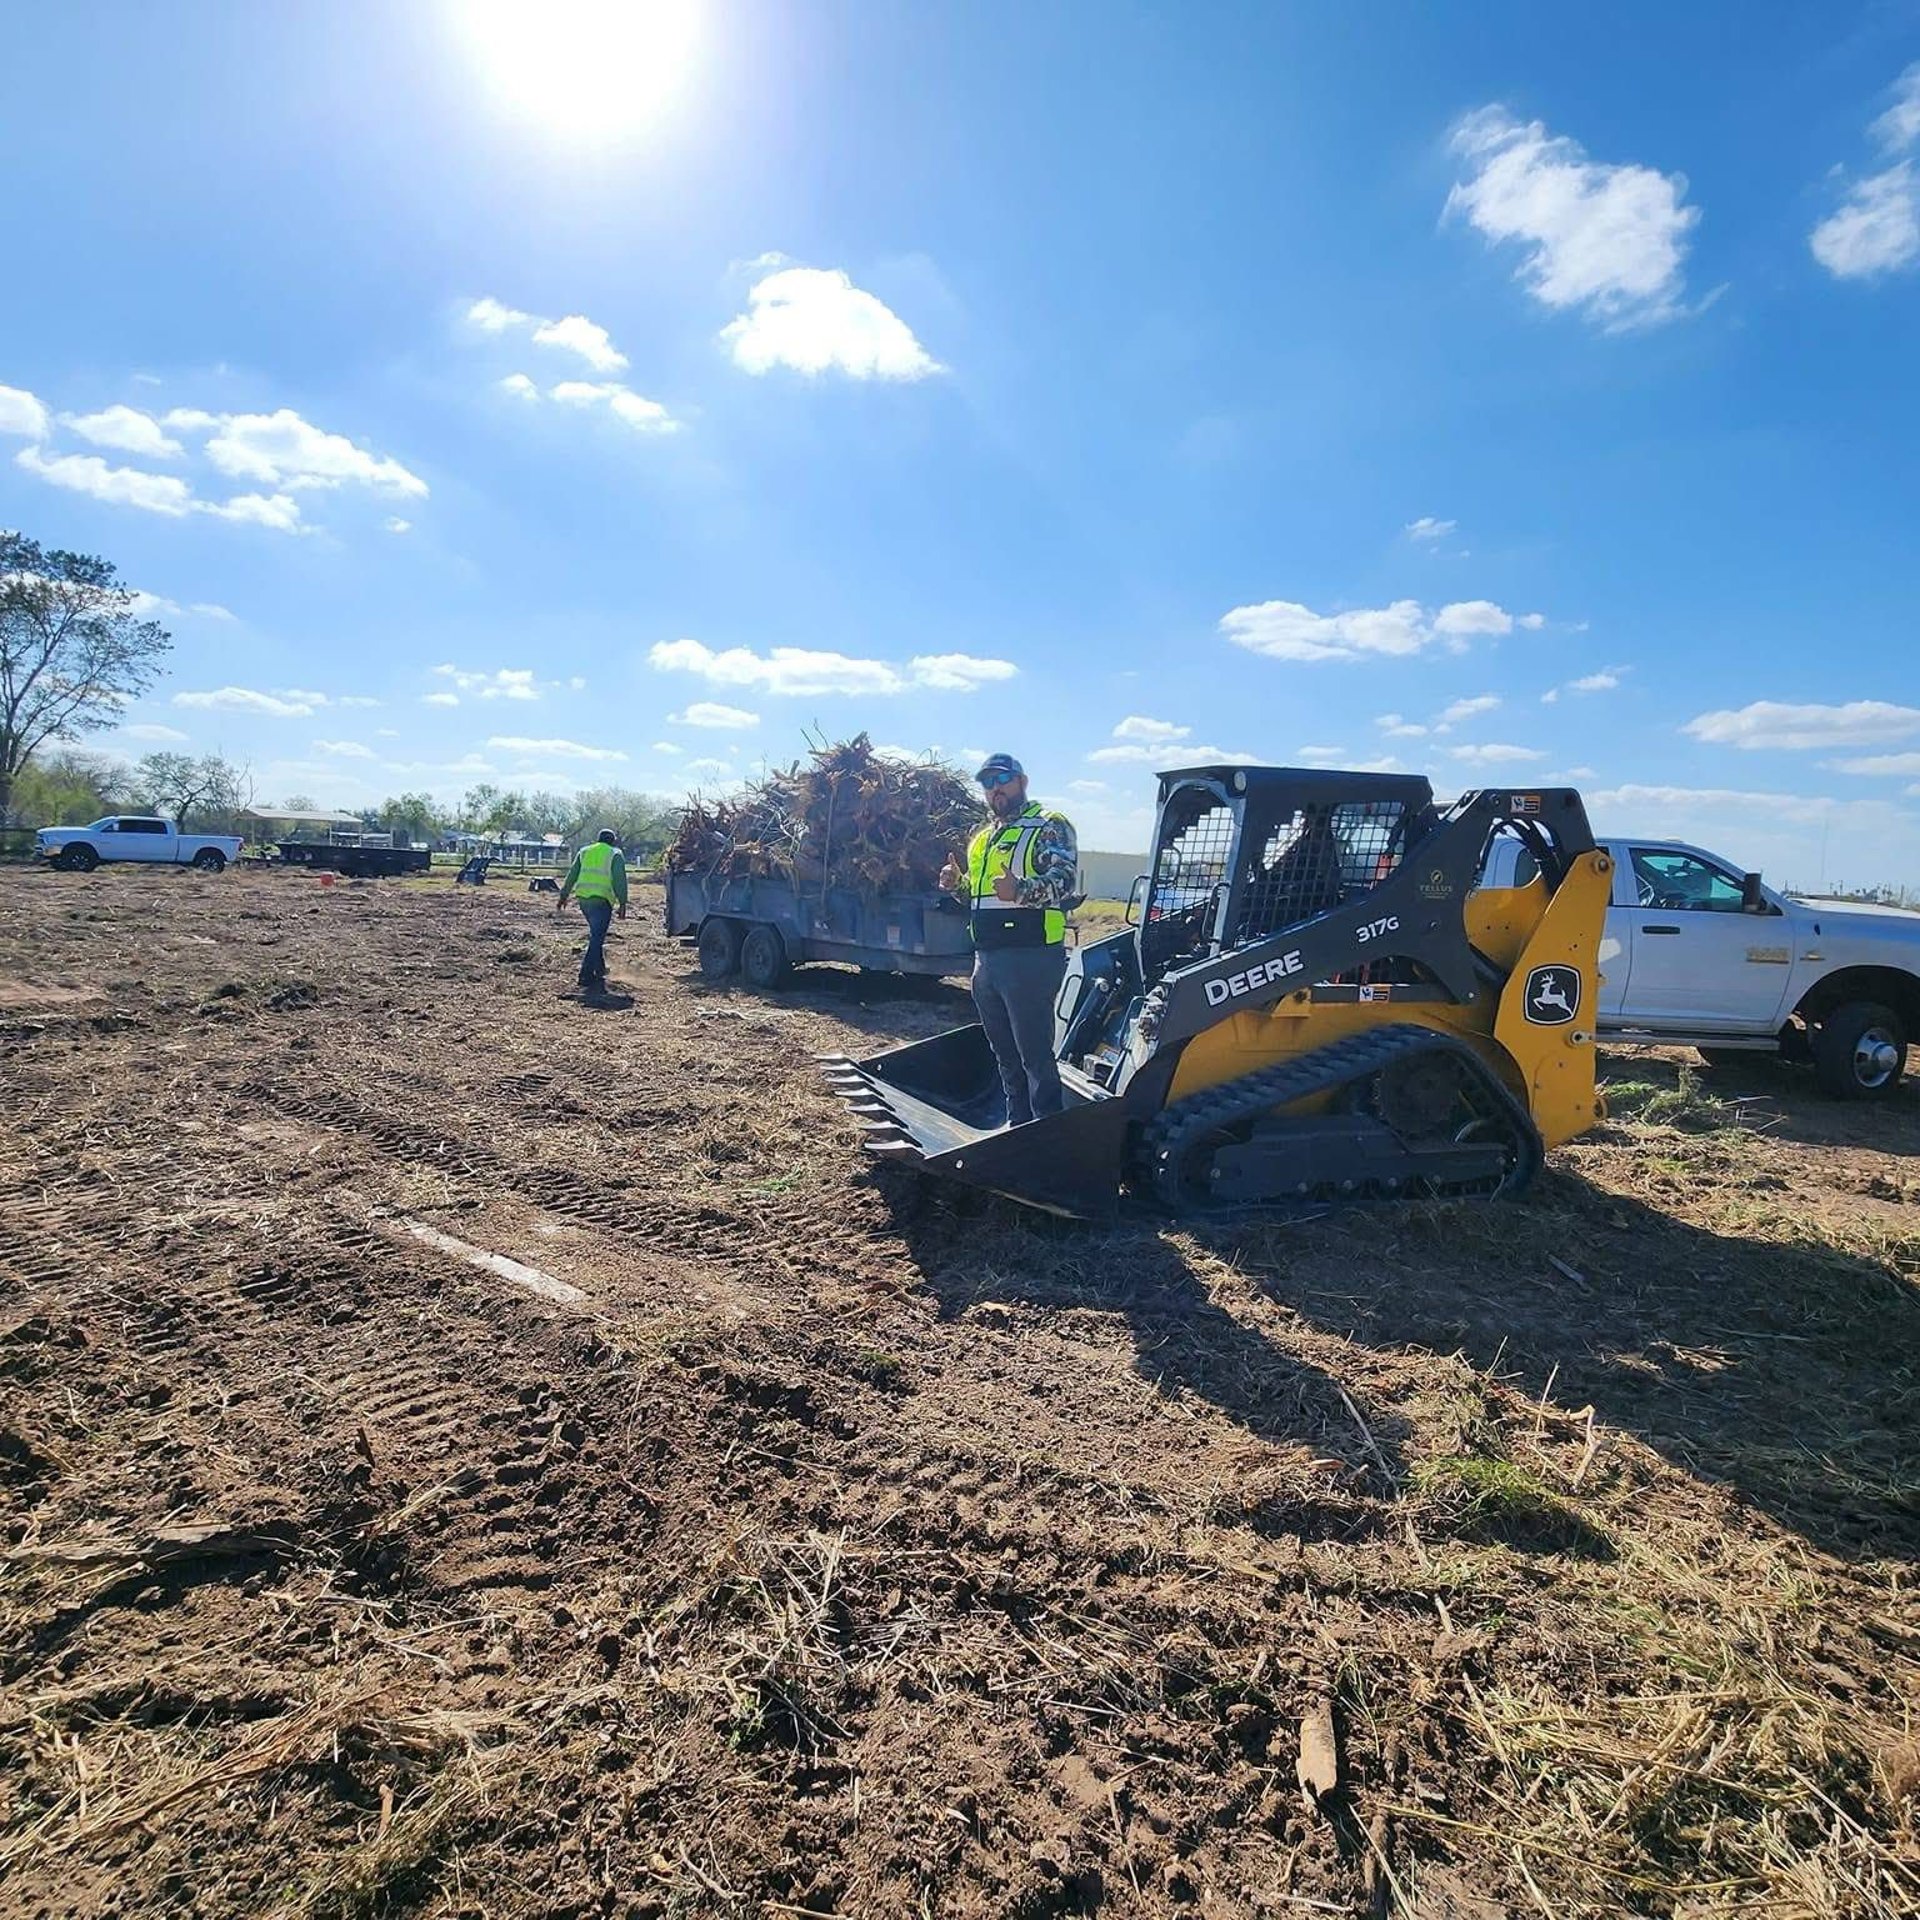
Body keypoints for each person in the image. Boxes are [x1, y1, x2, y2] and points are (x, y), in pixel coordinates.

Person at [939, 755, 1078, 1128]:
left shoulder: (1048, 825)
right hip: (986, 960)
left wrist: (1021, 890)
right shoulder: (982, 838)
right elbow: (979, 897)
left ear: (1022, 781)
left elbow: (1064, 882)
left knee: (1034, 1057)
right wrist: (957, 887)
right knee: (1004, 1056)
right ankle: (1017, 1128)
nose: (995, 788)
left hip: (1030, 958)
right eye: (987, 782)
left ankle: (1047, 1131)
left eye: (1002, 779)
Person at [555, 829, 627, 995]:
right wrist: (622, 903)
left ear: (598, 839)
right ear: (613, 841)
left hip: (584, 901)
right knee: (597, 937)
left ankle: (600, 969)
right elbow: (620, 880)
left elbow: (572, 875)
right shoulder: (614, 854)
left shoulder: (584, 852)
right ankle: (585, 975)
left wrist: (563, 896)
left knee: (596, 935)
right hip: (602, 901)